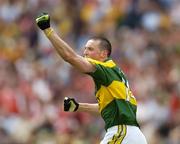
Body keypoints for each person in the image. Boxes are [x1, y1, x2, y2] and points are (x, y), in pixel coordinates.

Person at [35, 12, 148, 144]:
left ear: (103, 54)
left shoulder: (103, 69)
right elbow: (106, 108)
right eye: (85, 49)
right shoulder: (115, 73)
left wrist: (48, 31)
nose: (85, 52)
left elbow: (70, 57)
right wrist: (78, 107)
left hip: (122, 133)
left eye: (90, 49)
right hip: (135, 136)